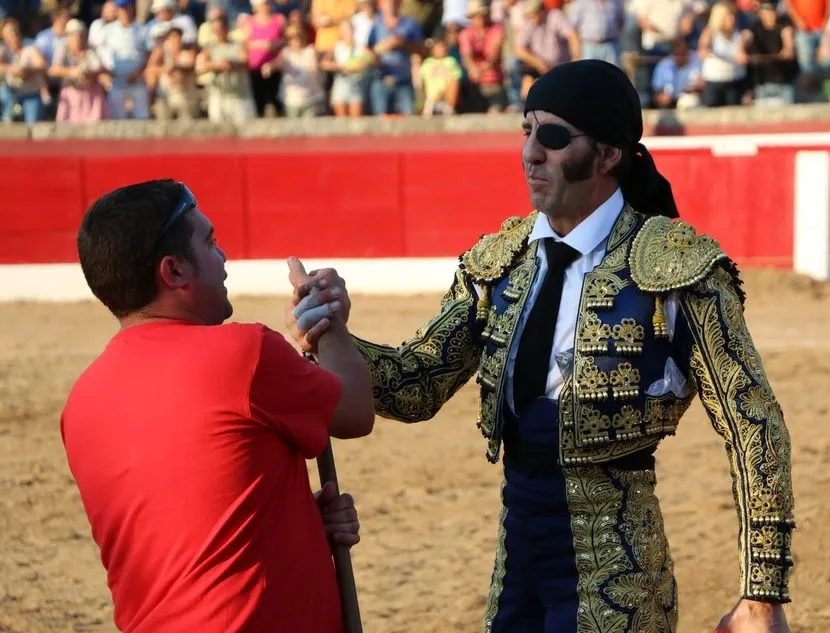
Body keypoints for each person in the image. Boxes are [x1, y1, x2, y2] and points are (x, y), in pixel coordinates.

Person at [289, 59, 796, 633]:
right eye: (526, 131)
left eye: (553, 137)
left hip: (621, 574)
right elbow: (418, 384)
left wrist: (762, 594)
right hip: (517, 568)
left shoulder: (677, 269)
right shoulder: (500, 260)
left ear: (608, 155)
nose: (530, 153)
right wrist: (335, 339)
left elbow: (754, 424)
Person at [61, 180, 375, 633]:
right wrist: (330, 323)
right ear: (174, 271)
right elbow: (355, 411)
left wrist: (297, 522)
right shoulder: (245, 353)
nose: (223, 256)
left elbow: (182, 521)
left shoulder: (81, 400)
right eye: (209, 243)